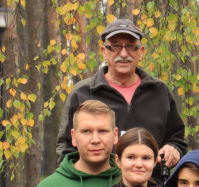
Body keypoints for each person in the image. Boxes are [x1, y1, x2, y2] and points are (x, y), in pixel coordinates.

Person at [56, 17, 186, 167]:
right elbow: (65, 148)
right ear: (104, 52)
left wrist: (173, 149)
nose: (124, 54)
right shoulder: (82, 94)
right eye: (115, 46)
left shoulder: (159, 91)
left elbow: (177, 140)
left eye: (130, 46)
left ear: (141, 52)